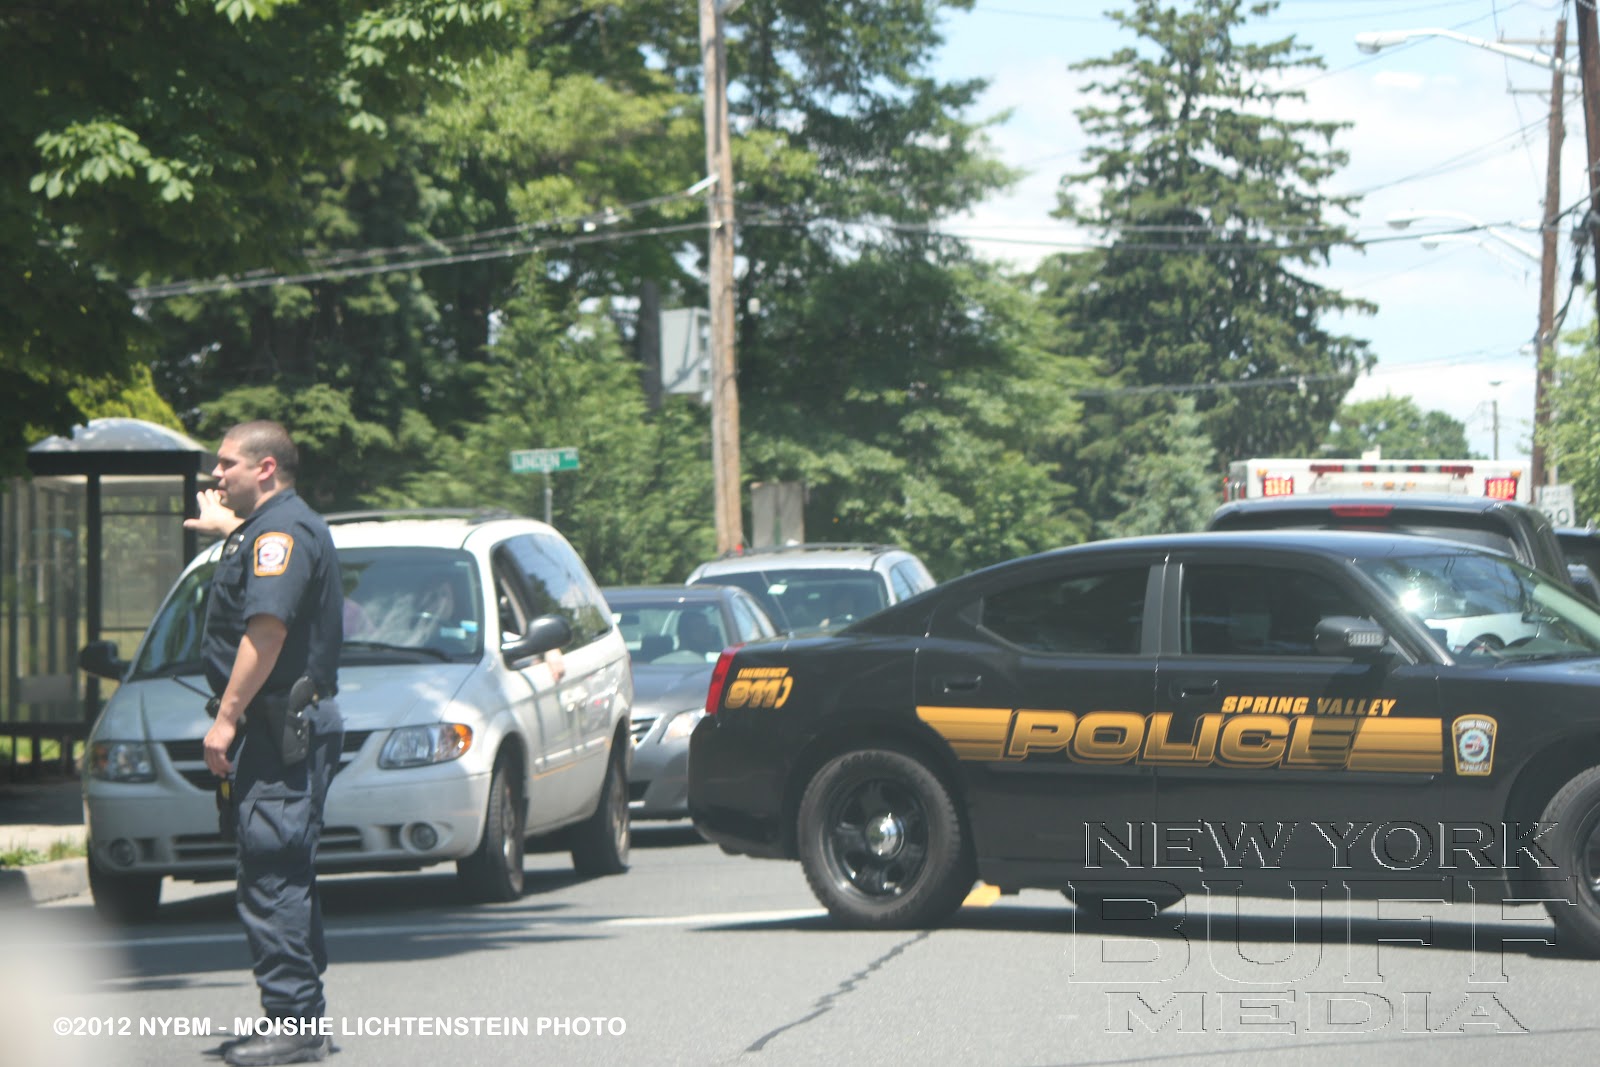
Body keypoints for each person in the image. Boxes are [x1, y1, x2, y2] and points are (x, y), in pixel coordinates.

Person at [186, 421, 343, 1067]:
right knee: (278, 867)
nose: (215, 477)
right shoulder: (271, 531)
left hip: (279, 725)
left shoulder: (280, 534)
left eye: (226, 465)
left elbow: (269, 630)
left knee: (272, 870)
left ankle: (295, 1020)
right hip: (282, 725)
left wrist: (225, 719)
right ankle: (298, 1011)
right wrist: (232, 532)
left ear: (267, 467)